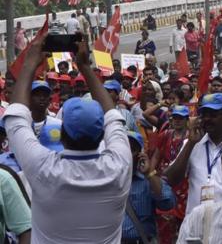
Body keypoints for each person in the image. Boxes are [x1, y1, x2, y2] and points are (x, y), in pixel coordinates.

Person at [3, 35, 133, 242]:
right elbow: (114, 118)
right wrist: (85, 67)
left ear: (61, 135)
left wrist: (29, 63)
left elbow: (15, 118)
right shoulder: (119, 166)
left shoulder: (44, 167)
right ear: (102, 135)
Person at [164, 93, 222, 213]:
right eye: (204, 115)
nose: (207, 119)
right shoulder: (192, 144)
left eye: (213, 115)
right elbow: (170, 179)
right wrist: (190, 144)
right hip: (195, 224)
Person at [122, 131, 176, 243]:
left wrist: (149, 174)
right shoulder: (108, 179)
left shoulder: (147, 180)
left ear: (140, 154)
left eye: (131, 150)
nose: (125, 153)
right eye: (122, 148)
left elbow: (168, 203)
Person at [150, 105, 190, 243]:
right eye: (175, 118)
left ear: (187, 120)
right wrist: (152, 172)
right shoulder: (165, 135)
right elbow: (156, 155)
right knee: (165, 215)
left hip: (184, 182)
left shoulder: (190, 137)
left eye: (181, 118)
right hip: (165, 179)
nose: (178, 121)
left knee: (182, 216)